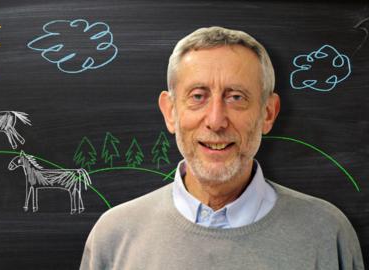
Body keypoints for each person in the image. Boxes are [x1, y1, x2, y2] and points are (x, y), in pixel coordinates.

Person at [80, 26, 364, 269]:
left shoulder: (328, 234)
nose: (216, 121)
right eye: (198, 96)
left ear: (268, 113)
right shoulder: (114, 236)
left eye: (237, 97)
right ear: (170, 112)